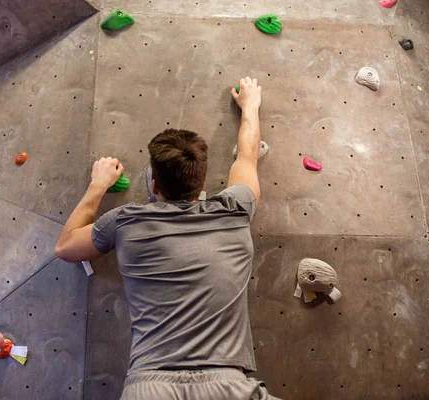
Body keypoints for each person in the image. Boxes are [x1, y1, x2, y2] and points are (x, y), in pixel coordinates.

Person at [55, 77, 281, 400]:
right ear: (201, 183)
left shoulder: (125, 222)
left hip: (150, 388)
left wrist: (98, 185)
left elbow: (65, 247)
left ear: (155, 188)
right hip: (230, 387)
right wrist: (251, 107)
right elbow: (247, 155)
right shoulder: (235, 208)